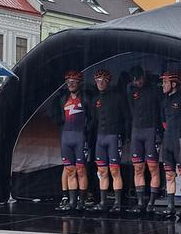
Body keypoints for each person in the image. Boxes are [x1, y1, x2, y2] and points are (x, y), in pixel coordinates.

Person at [90, 69, 128, 212]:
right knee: (102, 171)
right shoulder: (95, 99)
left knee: (114, 170)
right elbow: (93, 121)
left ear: (108, 82)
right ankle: (103, 201)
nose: (99, 83)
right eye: (97, 81)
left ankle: (117, 203)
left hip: (113, 136)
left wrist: (124, 136)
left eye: (102, 81)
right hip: (100, 137)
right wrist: (90, 138)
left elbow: (126, 118)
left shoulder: (118, 97)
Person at [126, 65, 162, 214]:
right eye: (134, 80)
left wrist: (159, 132)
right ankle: (141, 203)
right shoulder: (131, 90)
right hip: (136, 131)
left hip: (151, 131)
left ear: (144, 76)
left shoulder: (154, 90)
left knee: (153, 167)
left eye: (139, 79)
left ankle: (152, 203)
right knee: (138, 168)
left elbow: (160, 111)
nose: (137, 82)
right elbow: (130, 110)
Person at [158, 71, 181, 219]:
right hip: (167, 140)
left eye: (165, 82)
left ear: (174, 84)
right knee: (169, 174)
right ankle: (170, 206)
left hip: (180, 140)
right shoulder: (163, 101)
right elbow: (163, 122)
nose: (163, 85)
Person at [56, 71, 90, 211]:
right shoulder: (63, 99)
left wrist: (87, 132)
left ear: (79, 83)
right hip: (66, 136)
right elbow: (59, 117)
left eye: (74, 81)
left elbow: (92, 117)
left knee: (81, 170)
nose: (70, 84)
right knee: (70, 170)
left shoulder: (86, 98)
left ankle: (81, 201)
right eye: (68, 81)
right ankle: (71, 202)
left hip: (80, 136)